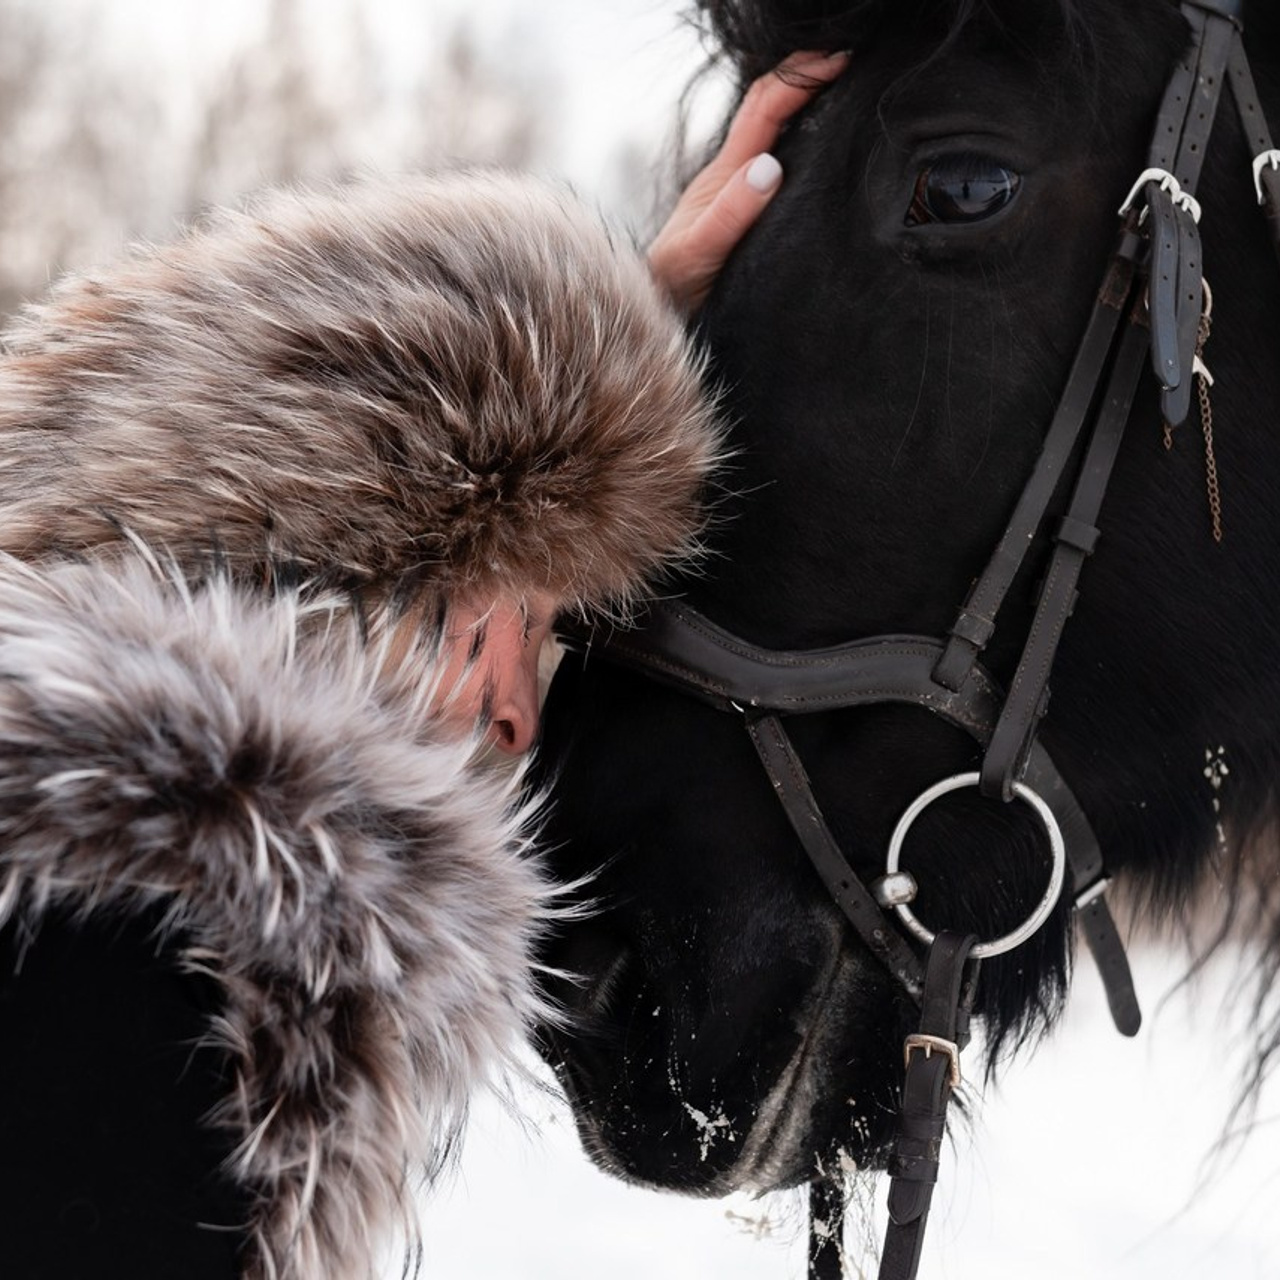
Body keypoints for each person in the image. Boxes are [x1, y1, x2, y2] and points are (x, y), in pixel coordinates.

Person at [0, 51, 847, 1280]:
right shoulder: (136, 962)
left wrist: (611, 371)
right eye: (535, 628)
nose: (516, 720)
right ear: (349, 543)